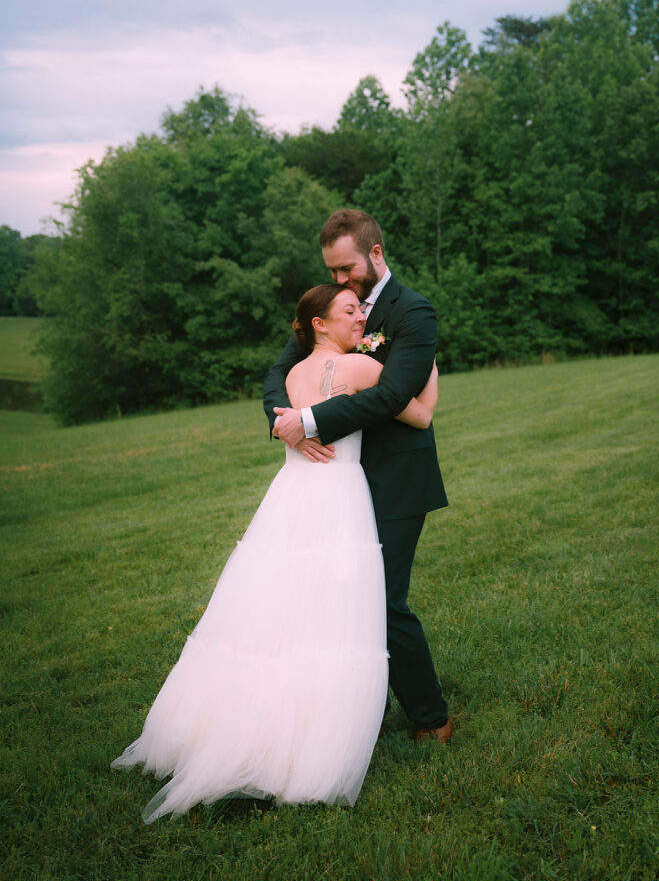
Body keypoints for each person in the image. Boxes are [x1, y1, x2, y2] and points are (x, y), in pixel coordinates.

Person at [112, 283, 438, 820]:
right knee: (335, 617)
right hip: (337, 497)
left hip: (289, 497)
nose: (361, 318)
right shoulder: (358, 371)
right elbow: (420, 413)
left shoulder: (290, 377)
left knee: (278, 613)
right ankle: (312, 740)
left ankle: (244, 727)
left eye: (361, 309)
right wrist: (426, 361)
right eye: (350, 311)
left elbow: (287, 411)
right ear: (320, 324)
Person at [263, 209, 452, 743]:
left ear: (374, 254)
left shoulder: (414, 312)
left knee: (382, 600)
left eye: (346, 269)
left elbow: (396, 397)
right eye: (332, 270)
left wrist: (313, 420)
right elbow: (279, 374)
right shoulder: (327, 309)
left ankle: (430, 719)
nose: (339, 280)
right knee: (336, 599)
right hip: (332, 484)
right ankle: (345, 710)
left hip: (394, 478)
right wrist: (287, 423)